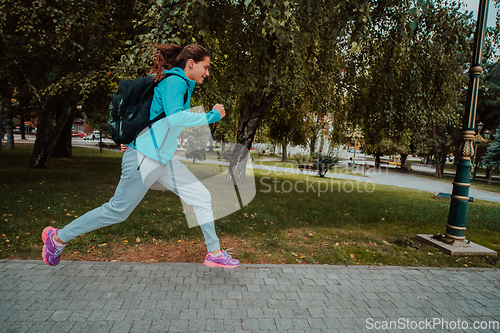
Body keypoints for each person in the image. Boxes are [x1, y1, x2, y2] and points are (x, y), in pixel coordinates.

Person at [41, 44, 240, 268]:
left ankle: (213, 252)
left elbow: (160, 121)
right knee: (117, 211)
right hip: (145, 158)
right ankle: (57, 237)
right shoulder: (175, 81)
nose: (207, 72)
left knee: (201, 196)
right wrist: (211, 115)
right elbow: (175, 118)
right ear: (191, 63)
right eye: (206, 66)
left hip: (161, 159)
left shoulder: (180, 84)